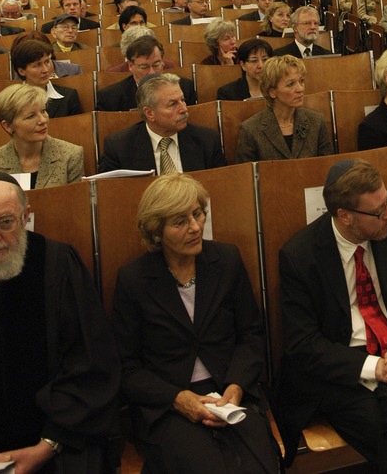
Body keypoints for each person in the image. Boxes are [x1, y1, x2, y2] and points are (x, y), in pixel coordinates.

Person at [277, 158, 387, 468]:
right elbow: (304, 344)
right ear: (345, 216)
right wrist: (374, 368)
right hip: (342, 369)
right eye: (379, 211)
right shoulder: (300, 256)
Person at [111, 174, 279, 474]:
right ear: (156, 231)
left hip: (229, 392)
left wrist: (236, 386)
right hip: (169, 405)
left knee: (258, 465)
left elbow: (251, 335)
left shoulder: (226, 260)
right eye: (180, 221)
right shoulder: (134, 279)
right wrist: (177, 398)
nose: (195, 227)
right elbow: (127, 367)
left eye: (198, 214)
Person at [0, 172, 120, 470]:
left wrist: (49, 444)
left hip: (56, 436)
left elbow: (90, 362)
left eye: (6, 222)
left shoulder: (56, 264)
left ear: (26, 216)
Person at [99, 73, 225, 173]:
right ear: (149, 113)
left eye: (183, 100)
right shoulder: (119, 147)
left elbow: (220, 188)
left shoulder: (207, 141)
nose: (184, 109)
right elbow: (111, 195)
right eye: (173, 104)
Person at [235, 55, 332, 162]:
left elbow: (327, 167)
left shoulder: (316, 121)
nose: (300, 89)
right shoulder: (250, 129)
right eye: (290, 84)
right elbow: (248, 176)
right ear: (272, 92)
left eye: (301, 81)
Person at [0, 84, 83, 186]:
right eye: (31, 116)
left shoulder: (70, 155)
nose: (43, 120)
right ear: (8, 126)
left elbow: (76, 200)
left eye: (43, 111)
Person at [96, 35, 196, 111]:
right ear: (131, 66)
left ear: (162, 61)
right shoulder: (110, 98)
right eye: (144, 67)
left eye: (156, 65)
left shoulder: (185, 87)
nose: (152, 72)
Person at [11, 39, 82, 118]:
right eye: (38, 65)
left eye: (47, 62)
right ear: (21, 71)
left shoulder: (69, 96)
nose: (46, 70)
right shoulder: (10, 102)